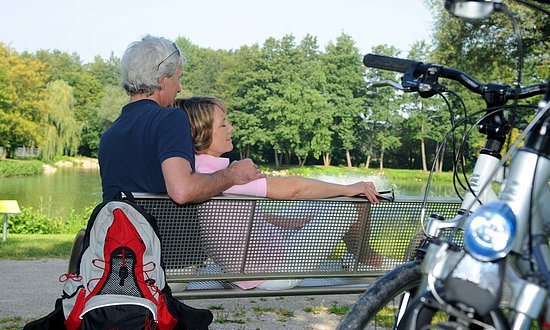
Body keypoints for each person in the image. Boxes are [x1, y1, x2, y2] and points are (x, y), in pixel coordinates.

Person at [175, 96, 382, 290]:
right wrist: (348, 188)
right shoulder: (222, 177)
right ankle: (364, 259)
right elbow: (295, 190)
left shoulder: (199, 170)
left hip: (249, 265)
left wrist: (289, 223)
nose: (231, 128)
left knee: (326, 200)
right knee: (351, 202)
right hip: (273, 273)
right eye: (223, 124)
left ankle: (358, 257)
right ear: (202, 132)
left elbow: (237, 220)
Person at [98, 35, 264, 204]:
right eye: (178, 79)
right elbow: (182, 191)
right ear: (163, 81)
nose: (179, 88)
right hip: (162, 230)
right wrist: (233, 174)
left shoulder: (110, 134)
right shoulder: (170, 119)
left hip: (120, 228)